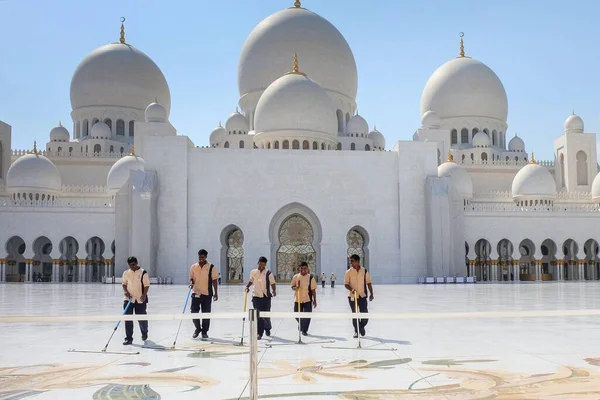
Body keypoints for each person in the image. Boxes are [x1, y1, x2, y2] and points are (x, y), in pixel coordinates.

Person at [189, 249, 219, 339]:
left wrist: (216, 293)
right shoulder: (193, 267)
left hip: (207, 294)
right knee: (194, 312)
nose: (201, 259)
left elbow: (214, 281)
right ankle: (198, 328)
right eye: (200, 257)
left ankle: (204, 331)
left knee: (206, 313)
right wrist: (191, 283)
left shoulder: (211, 267)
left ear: (206, 257)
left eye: (203, 257)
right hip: (196, 293)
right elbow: (191, 278)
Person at [245, 256, 276, 339]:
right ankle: (259, 333)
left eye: (263, 264)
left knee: (266, 314)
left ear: (265, 264)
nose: (261, 266)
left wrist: (274, 291)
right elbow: (251, 280)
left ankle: (268, 328)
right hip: (256, 296)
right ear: (258, 263)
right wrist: (247, 287)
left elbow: (272, 283)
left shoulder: (268, 273)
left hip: (266, 297)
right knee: (258, 315)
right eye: (260, 264)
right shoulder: (254, 272)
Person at [121, 256, 150, 345]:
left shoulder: (143, 272)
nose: (132, 267)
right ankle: (129, 338)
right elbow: (124, 284)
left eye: (133, 265)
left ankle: (144, 332)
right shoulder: (126, 273)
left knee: (141, 318)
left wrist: (144, 295)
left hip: (140, 299)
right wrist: (126, 291)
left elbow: (146, 285)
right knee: (128, 318)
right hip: (129, 299)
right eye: (130, 265)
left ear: (137, 263)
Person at [344, 254, 374, 338]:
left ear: (357, 261)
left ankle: (361, 327)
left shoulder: (364, 271)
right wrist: (351, 289)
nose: (351, 263)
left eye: (352, 261)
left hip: (362, 296)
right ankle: (356, 331)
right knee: (355, 314)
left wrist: (371, 294)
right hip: (353, 296)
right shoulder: (348, 272)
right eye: (351, 261)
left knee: (364, 314)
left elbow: (369, 283)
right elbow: (346, 284)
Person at [291, 262, 317, 335]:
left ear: (307, 269)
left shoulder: (311, 277)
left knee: (307, 316)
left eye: (305, 268)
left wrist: (315, 300)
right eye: (302, 268)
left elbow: (313, 290)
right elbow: (292, 287)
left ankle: (304, 330)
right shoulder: (295, 277)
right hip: (298, 299)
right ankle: (302, 324)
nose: (303, 270)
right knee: (296, 314)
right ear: (299, 268)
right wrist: (296, 288)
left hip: (307, 299)